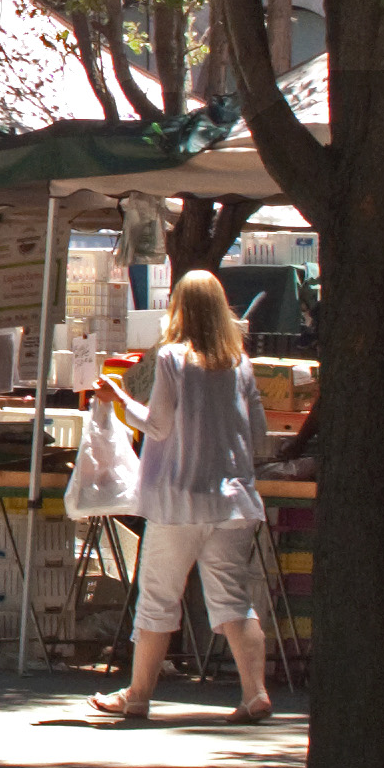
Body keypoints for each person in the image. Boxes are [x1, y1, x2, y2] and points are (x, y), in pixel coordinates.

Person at [86, 270, 279, 725]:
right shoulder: (241, 365)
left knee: (158, 596)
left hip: (178, 499)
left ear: (179, 309)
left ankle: (138, 694)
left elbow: (157, 425)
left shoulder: (173, 359)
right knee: (233, 599)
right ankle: (256, 693)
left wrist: (119, 398)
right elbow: (259, 436)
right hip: (233, 500)